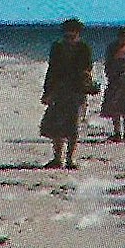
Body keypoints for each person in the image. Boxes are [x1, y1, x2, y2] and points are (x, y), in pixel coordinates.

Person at [39, 18, 94, 169]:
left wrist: (87, 83)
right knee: (56, 125)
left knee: (73, 126)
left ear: (78, 33)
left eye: (72, 35)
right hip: (59, 90)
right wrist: (47, 91)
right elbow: (52, 70)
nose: (69, 39)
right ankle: (57, 158)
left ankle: (69, 159)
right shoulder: (57, 47)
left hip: (76, 91)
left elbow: (87, 69)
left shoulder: (84, 48)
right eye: (67, 36)